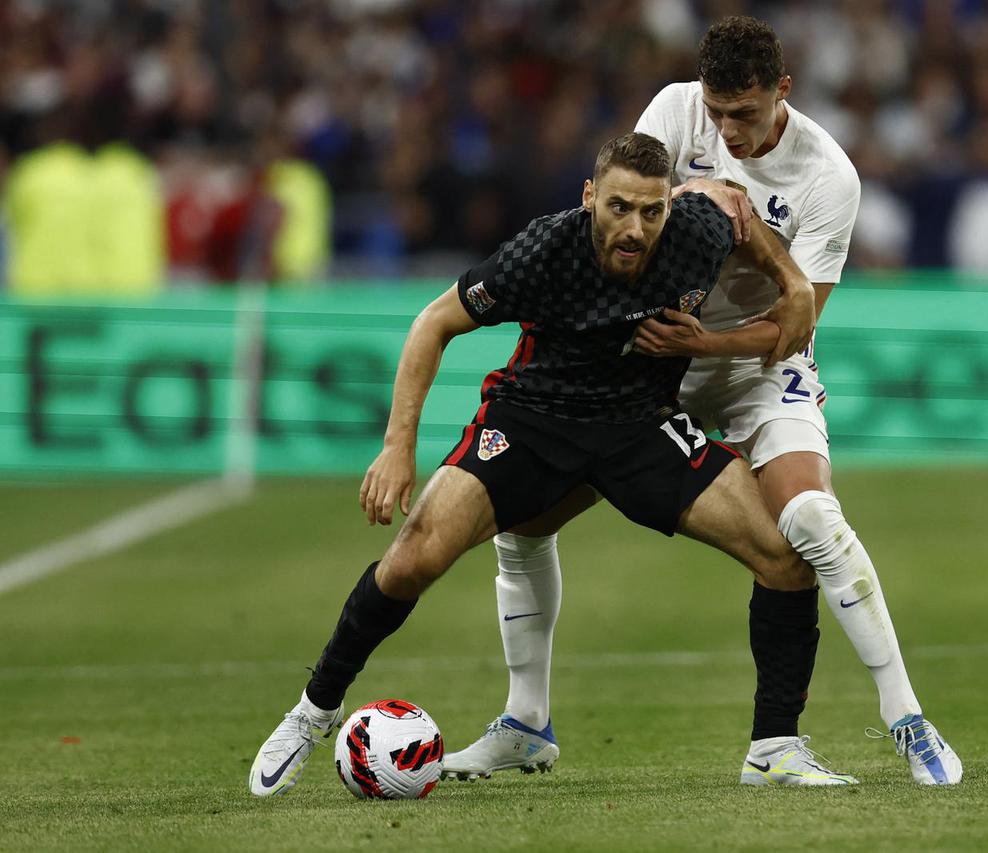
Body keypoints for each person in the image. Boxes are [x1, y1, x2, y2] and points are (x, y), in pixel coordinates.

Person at [443, 16, 962, 787]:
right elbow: (625, 219)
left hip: (753, 368)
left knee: (811, 519)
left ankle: (906, 719)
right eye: (717, 114)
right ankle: (526, 722)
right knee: (521, 523)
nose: (727, 131)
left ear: (782, 90)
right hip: (654, 369)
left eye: (744, 115)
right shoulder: (674, 110)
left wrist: (708, 339)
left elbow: (795, 324)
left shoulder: (829, 176)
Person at [248, 131, 830, 797]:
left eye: (650, 210)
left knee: (786, 556)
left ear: (670, 205)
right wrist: (396, 445)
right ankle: (313, 710)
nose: (635, 228)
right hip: (533, 419)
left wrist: (791, 284)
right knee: (412, 558)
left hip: (638, 424)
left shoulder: (695, 231)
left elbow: (744, 225)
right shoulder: (544, 250)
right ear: (589, 198)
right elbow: (434, 322)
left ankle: (775, 744)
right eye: (618, 208)